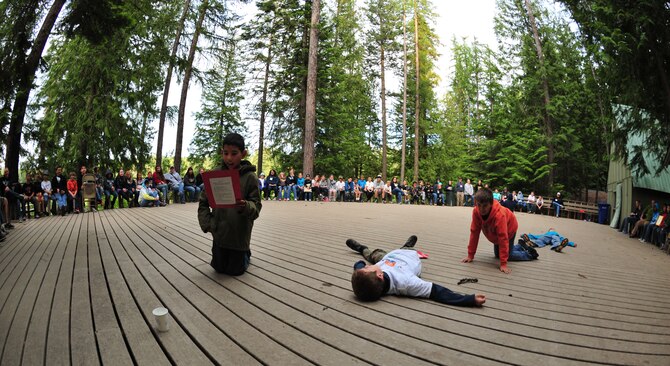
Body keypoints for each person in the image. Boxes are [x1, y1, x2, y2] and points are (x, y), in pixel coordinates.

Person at [345, 235, 486, 306]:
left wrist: (358, 266)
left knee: (372, 255)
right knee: (405, 249)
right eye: (367, 268)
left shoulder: (373, 278)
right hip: (407, 256)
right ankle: (408, 245)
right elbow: (437, 292)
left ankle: (361, 248)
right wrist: (469, 299)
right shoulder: (407, 283)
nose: (366, 266)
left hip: (387, 258)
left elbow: (360, 274)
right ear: (380, 275)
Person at [198, 133, 262, 276]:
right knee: (218, 268)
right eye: (225, 153)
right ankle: (240, 254)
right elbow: (203, 202)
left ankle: (246, 253)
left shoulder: (250, 177)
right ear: (222, 152)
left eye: (234, 153)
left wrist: (246, 205)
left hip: (239, 235)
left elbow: (256, 207)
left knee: (235, 271)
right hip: (219, 233)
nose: (229, 158)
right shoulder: (215, 175)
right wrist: (208, 223)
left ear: (243, 153)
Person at [462, 188, 538, 274]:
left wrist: (503, 264)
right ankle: (520, 246)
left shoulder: (499, 215)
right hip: (495, 233)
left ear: (490, 204)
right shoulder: (476, 212)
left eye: (485, 206)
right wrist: (470, 255)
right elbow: (474, 233)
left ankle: (530, 254)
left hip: (509, 228)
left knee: (506, 255)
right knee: (498, 254)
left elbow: (503, 238)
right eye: (479, 205)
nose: (481, 209)